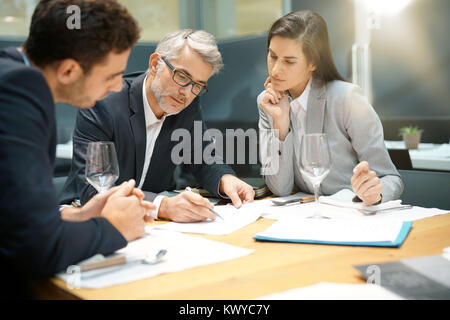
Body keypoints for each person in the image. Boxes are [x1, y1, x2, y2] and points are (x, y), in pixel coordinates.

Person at [0, 0, 155, 298]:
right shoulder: (19, 90)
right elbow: (36, 249)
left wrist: (82, 216)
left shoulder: (10, 73)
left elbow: (12, 220)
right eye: (111, 76)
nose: (117, 88)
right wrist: (113, 227)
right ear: (69, 70)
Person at [60, 29, 255, 223]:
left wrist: (225, 179)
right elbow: (93, 190)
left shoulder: (187, 105)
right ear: (155, 64)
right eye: (182, 77)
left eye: (197, 85)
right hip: (85, 219)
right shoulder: (103, 103)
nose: (186, 93)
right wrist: (163, 206)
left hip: (154, 224)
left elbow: (202, 156)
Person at [258, 10, 403, 205]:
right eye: (272, 56)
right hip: (306, 215)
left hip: (353, 212)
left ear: (314, 63)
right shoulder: (269, 102)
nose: (275, 70)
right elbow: (280, 188)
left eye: (289, 61)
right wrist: (281, 125)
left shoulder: (346, 99)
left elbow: (391, 178)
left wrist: (375, 193)